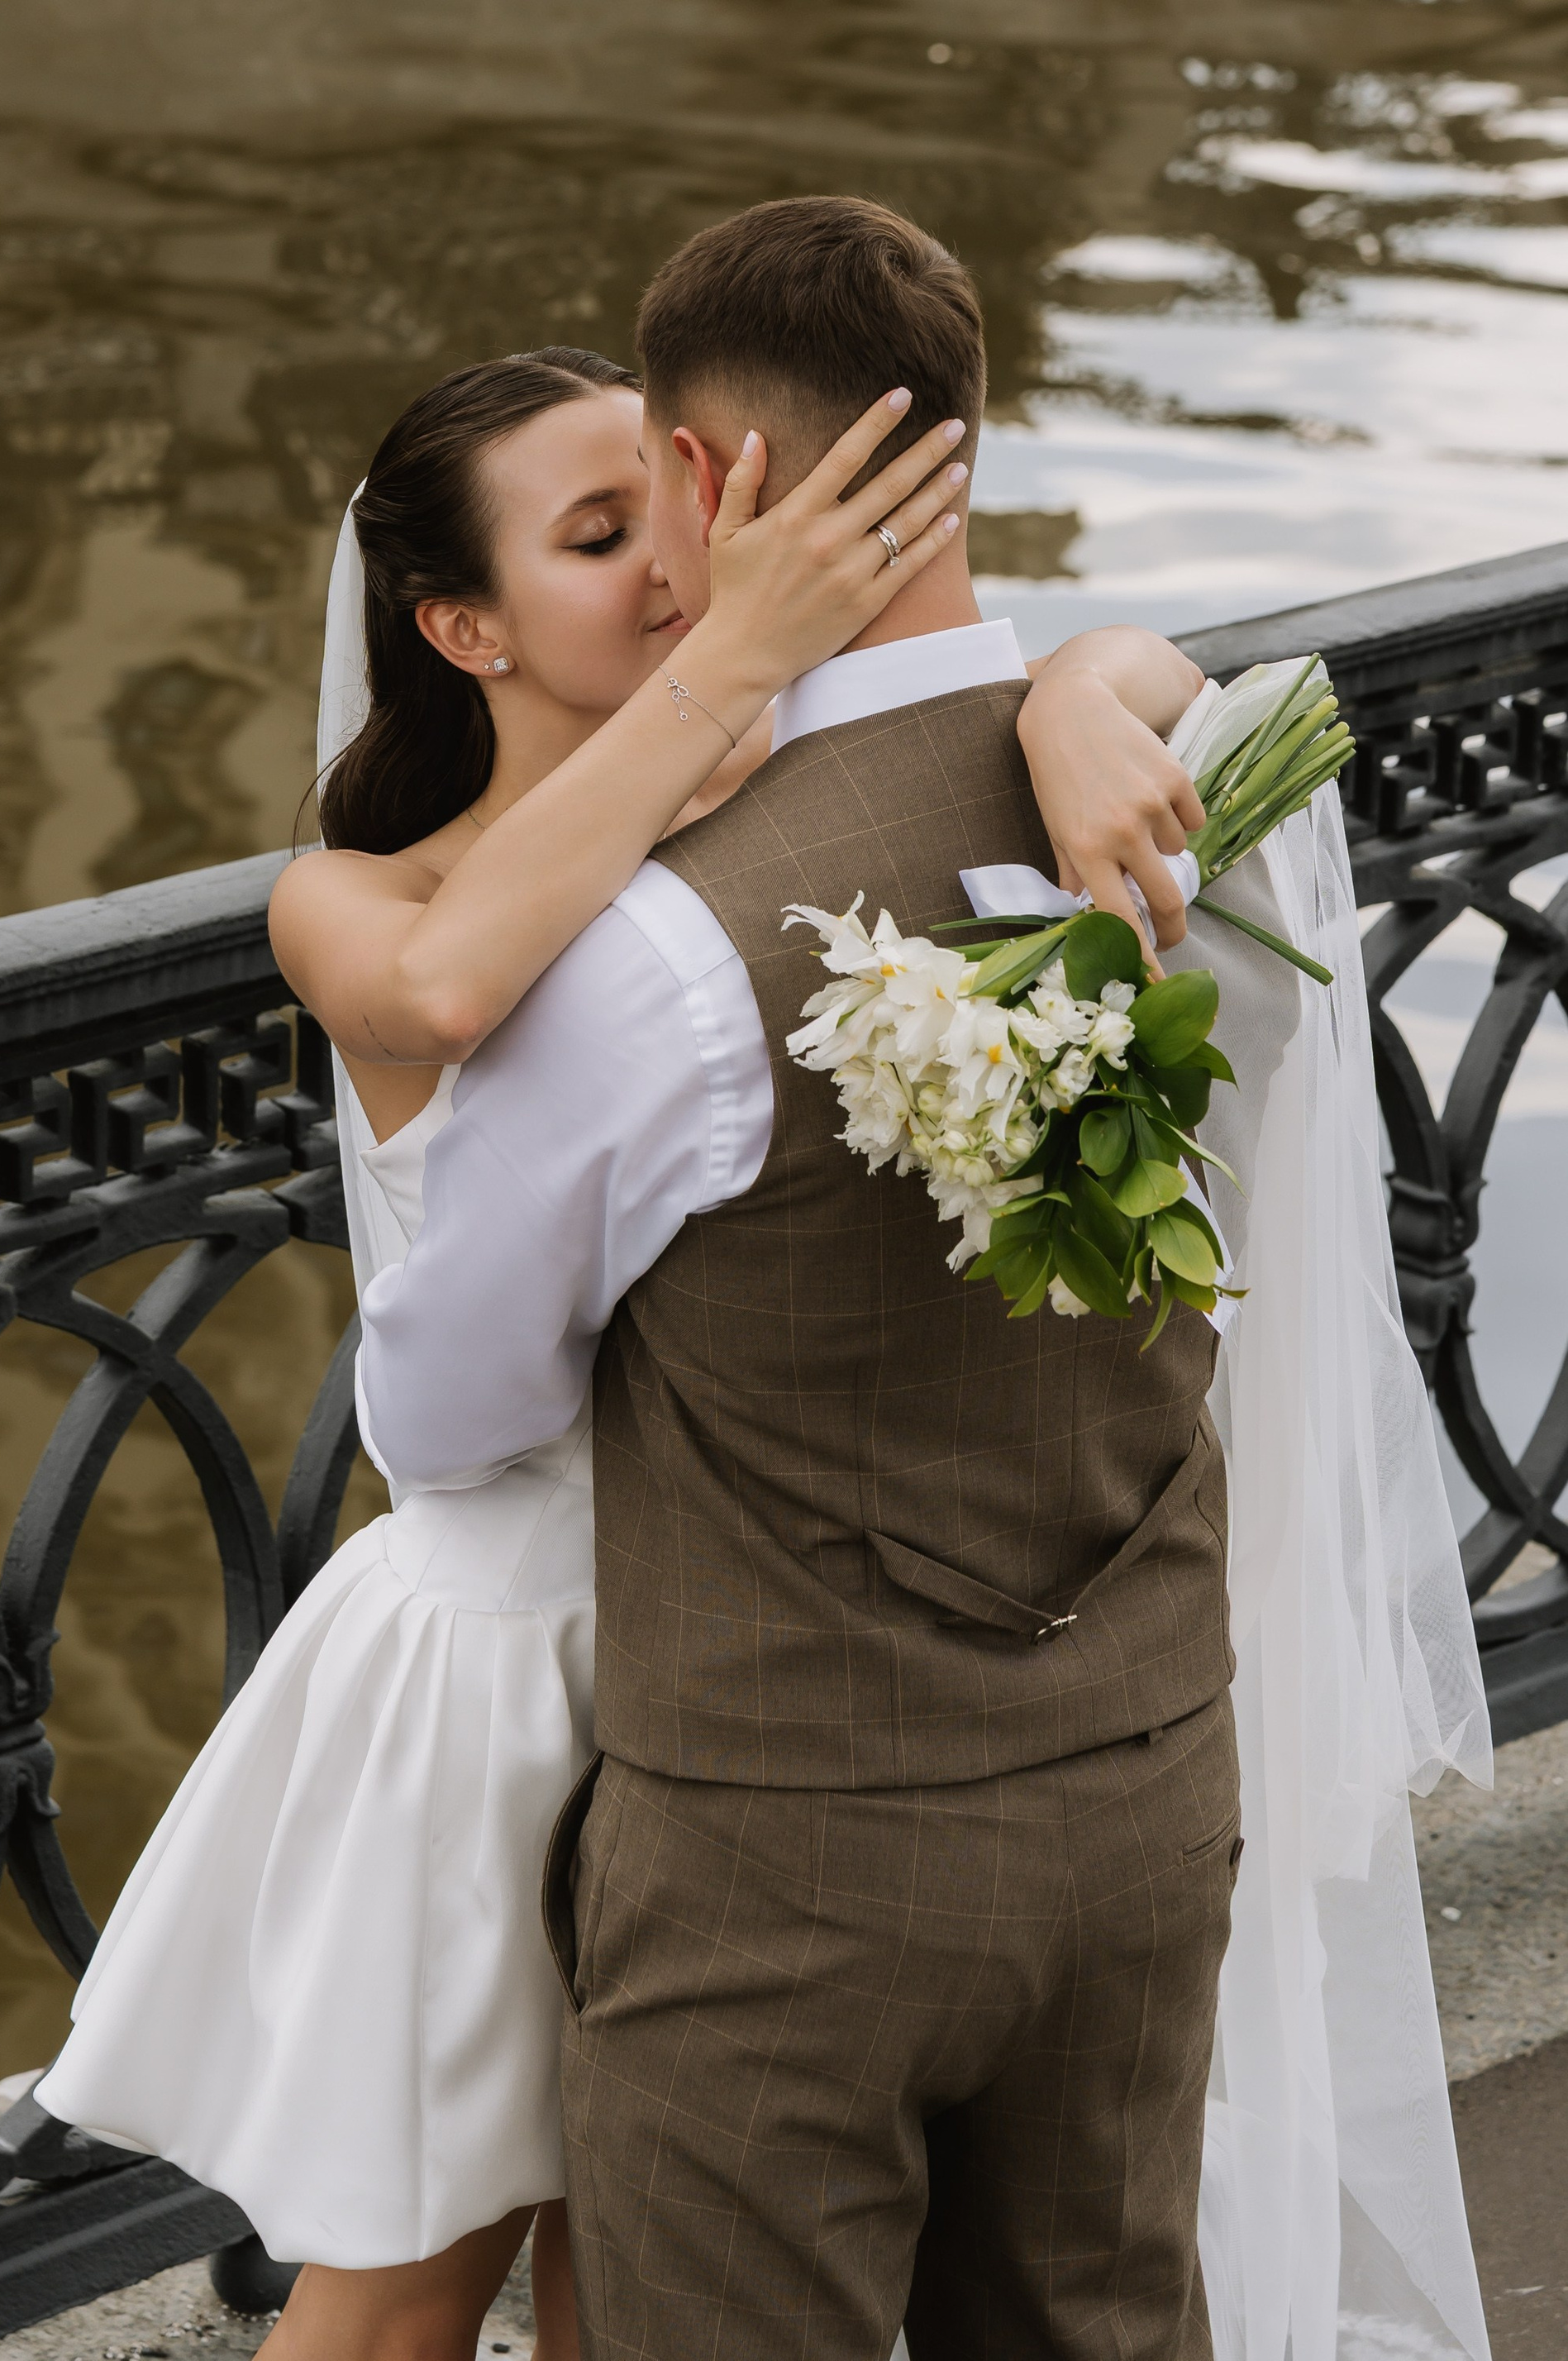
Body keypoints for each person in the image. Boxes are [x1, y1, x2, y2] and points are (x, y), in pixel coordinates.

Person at [359, 199, 1489, 2361]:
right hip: (1147, 1785)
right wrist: (1081, 676)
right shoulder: (1195, 803)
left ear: (704, 478)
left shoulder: (652, 953)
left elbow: (445, 1416)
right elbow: (1148, 682)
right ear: (961, 442)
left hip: (789, 1867)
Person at [36, 334, 1209, 2361]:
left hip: (771, 1641)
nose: (676, 567)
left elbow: (1150, 662)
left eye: (671, 510)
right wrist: (735, 660)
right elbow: (452, 987)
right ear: (461, 626)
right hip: (522, 1651)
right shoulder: (362, 896)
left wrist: (1073, 691)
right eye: (599, 538)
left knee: (650, 2279)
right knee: (411, 2284)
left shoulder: (756, 838)